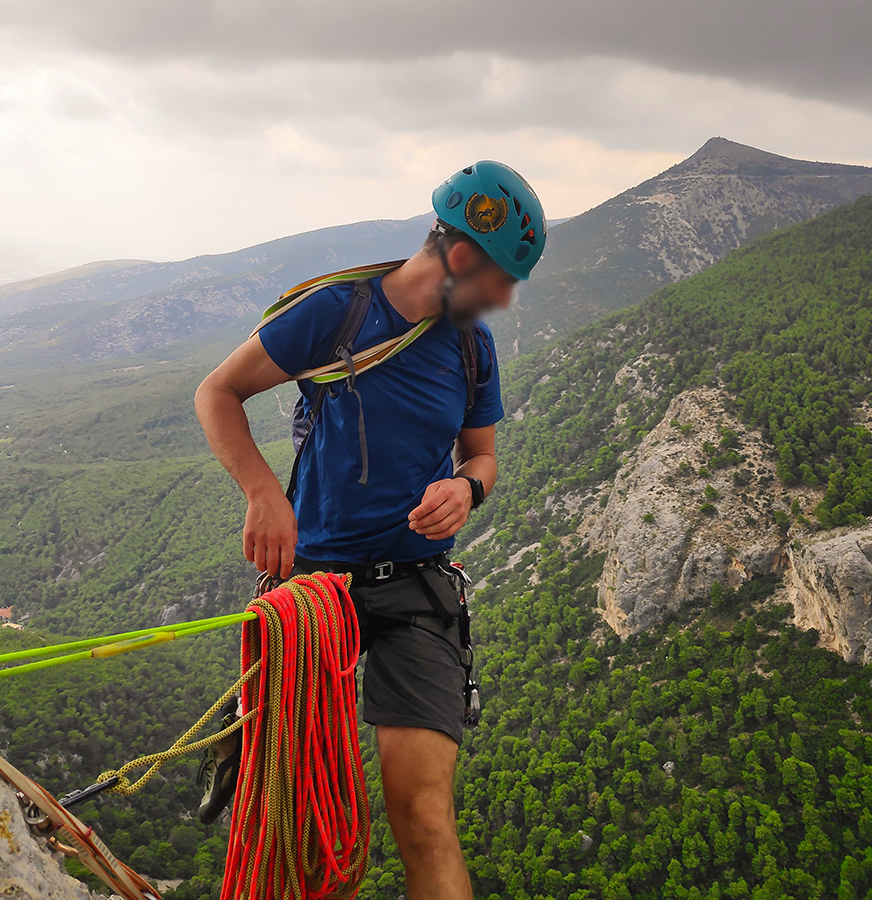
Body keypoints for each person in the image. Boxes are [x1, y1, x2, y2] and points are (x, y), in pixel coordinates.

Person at [193, 160, 546, 900]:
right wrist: (262, 493)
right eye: (500, 280)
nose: (505, 300)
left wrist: (466, 487)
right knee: (290, 808)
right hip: (316, 586)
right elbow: (218, 391)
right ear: (456, 259)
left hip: (415, 587)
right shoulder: (337, 314)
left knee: (424, 817)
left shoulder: (471, 347)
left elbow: (482, 455)